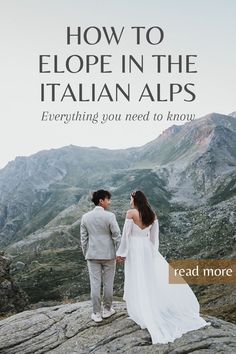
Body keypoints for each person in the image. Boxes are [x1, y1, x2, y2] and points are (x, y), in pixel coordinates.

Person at [116, 190, 211, 344]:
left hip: (134, 249)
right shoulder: (152, 214)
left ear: (135, 200)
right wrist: (152, 253)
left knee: (136, 278)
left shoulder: (131, 213)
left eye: (130, 198)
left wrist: (122, 253)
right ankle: (150, 308)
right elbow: (154, 238)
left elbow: (126, 235)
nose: (129, 201)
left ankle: (141, 311)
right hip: (147, 249)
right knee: (148, 278)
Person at [80, 189, 121, 323]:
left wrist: (86, 253)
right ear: (101, 201)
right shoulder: (110, 216)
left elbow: (83, 239)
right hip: (109, 255)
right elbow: (117, 236)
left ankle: (96, 313)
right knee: (108, 283)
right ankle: (107, 310)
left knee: (95, 284)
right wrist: (119, 252)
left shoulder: (85, 217)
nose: (109, 202)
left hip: (92, 255)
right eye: (108, 199)